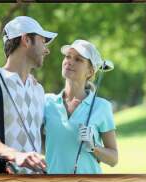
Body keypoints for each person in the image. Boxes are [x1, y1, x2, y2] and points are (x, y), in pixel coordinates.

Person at [0, 16, 57, 174]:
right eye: (43, 41)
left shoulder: (38, 89)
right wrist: (14, 155)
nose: (47, 49)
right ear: (26, 40)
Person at [43, 40, 118, 174]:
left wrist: (93, 147)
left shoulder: (102, 107)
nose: (70, 62)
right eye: (68, 56)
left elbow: (113, 159)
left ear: (90, 71)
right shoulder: (46, 102)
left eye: (78, 59)